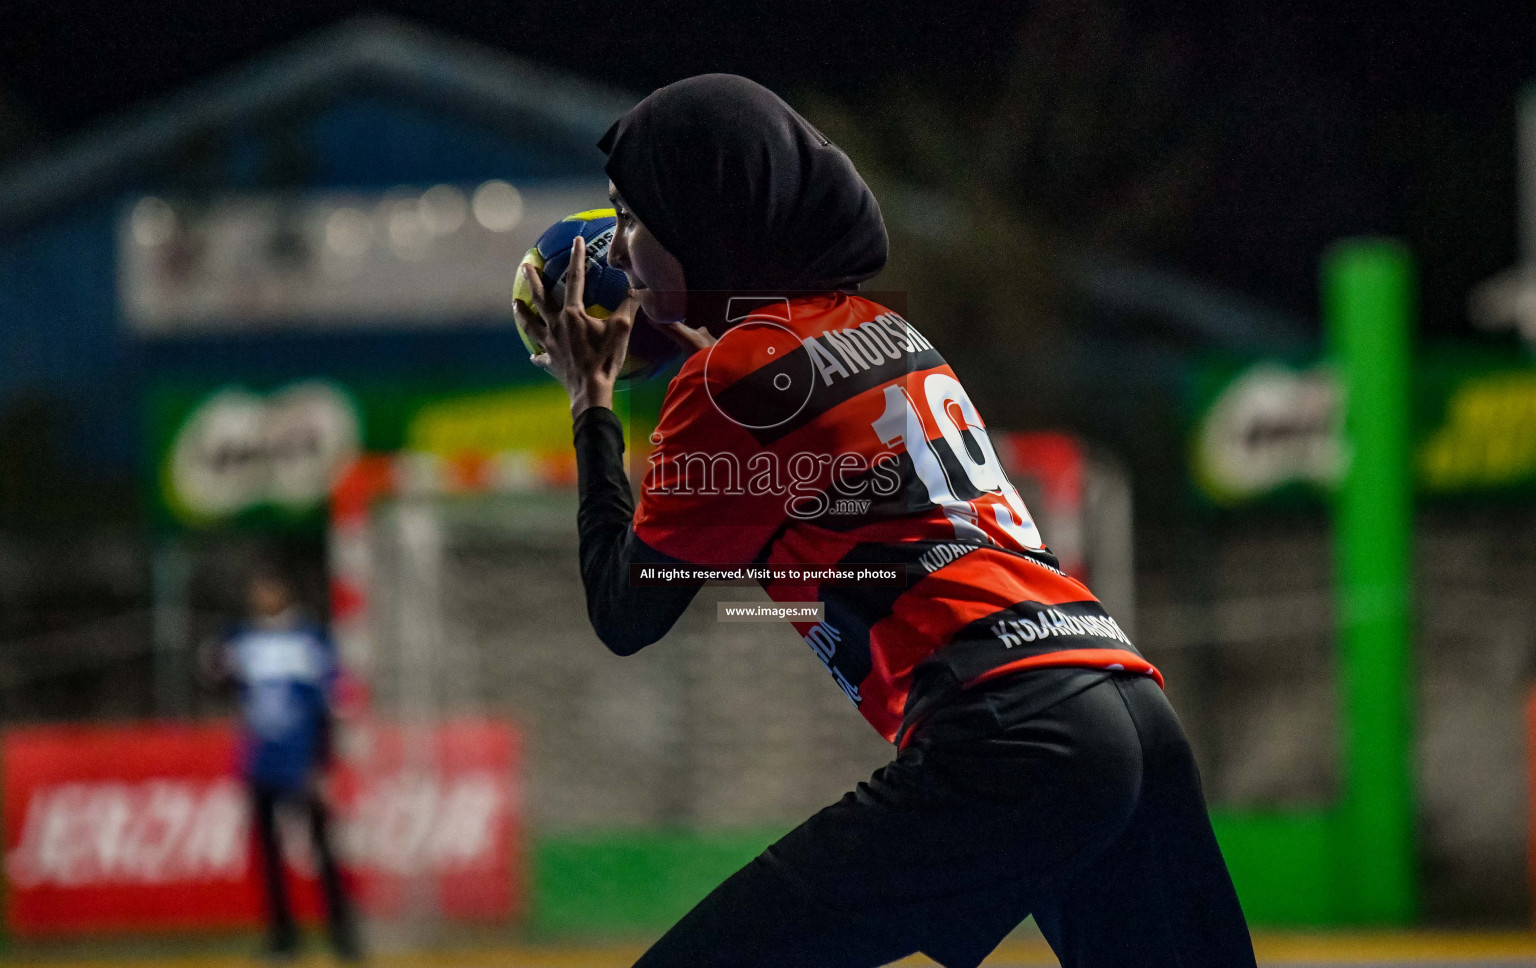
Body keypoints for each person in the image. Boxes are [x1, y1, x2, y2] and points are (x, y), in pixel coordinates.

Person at [514, 74, 1255, 968]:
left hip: (1011, 732)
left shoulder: (723, 386)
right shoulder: (880, 329)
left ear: (705, 218)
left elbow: (625, 613)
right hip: (1125, 703)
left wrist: (590, 401)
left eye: (633, 217)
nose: (622, 250)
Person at [206, 566, 360, 962]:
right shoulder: (240, 637)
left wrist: (321, 759)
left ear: (284, 591)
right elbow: (219, 681)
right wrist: (217, 666)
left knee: (322, 847)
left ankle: (343, 934)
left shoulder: (309, 637)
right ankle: (282, 936)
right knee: (269, 852)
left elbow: (332, 699)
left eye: (269, 586)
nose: (262, 595)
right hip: (259, 758)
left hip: (301, 757)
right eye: (258, 587)